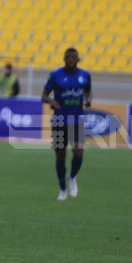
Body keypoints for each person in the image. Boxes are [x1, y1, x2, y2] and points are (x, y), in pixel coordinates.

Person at [41, 47, 92, 201]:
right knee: (60, 155)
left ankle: (72, 176)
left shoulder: (85, 75)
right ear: (64, 59)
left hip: (77, 120)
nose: (70, 59)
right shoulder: (55, 75)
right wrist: (51, 101)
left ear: (77, 59)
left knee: (78, 151)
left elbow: (88, 91)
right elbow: (44, 95)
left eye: (73, 57)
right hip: (59, 120)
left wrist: (88, 100)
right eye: (68, 57)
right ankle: (62, 189)